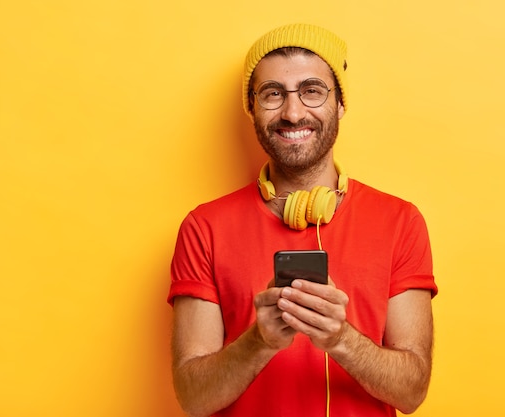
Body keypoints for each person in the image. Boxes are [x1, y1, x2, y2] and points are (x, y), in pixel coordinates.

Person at [168, 23, 438, 417]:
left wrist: (340, 338)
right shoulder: (203, 228)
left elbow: (411, 392)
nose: (293, 113)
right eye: (273, 94)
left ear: (340, 103)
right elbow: (193, 399)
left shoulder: (401, 221)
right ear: (252, 108)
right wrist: (259, 340)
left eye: (312, 91)